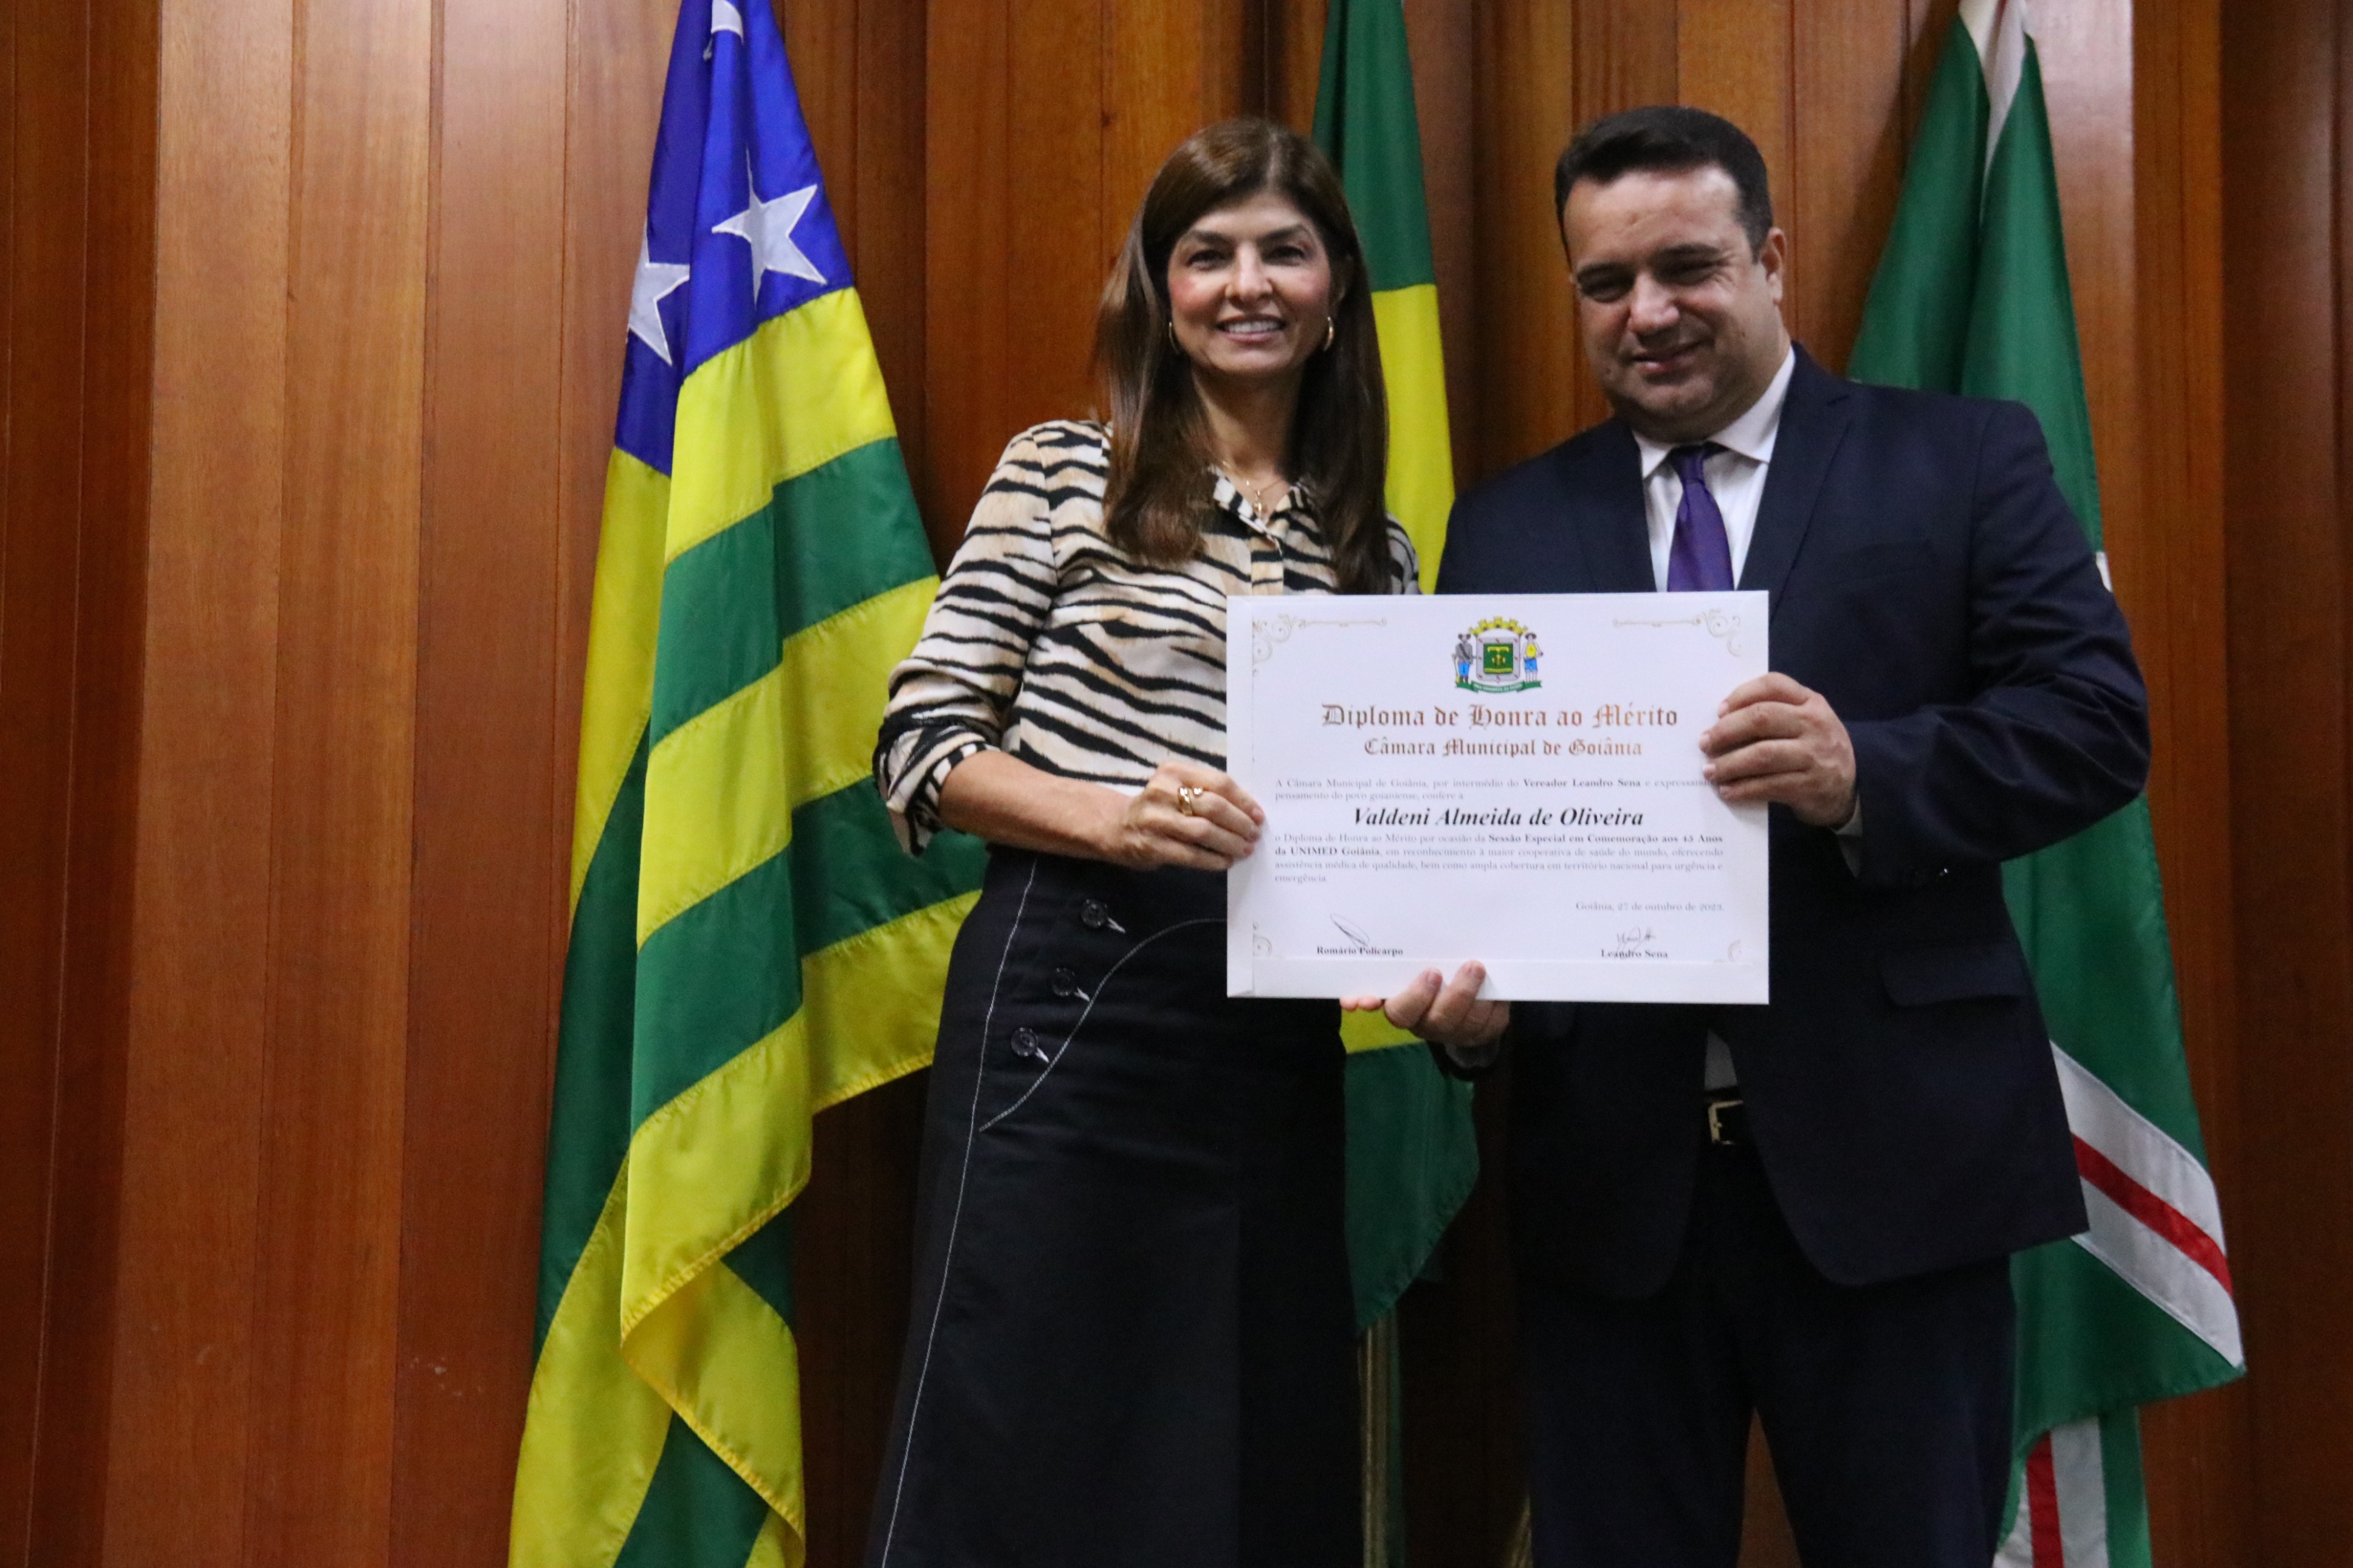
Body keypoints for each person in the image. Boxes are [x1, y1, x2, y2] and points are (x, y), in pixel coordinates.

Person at [1421, 106, 2150, 1567]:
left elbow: (2093, 725)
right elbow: (1474, 834)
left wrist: (1861, 769)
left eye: (1685, 268)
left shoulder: (1960, 460)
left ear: (1767, 259)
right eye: (1605, 283)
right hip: (1610, 1195)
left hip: (1899, 1174)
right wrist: (1472, 1014)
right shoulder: (1505, 527)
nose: (1647, 313)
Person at [864, 117, 1502, 1568]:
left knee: (1250, 1439)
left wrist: (1463, 1001)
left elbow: (1404, 844)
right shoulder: (1062, 471)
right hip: (1067, 1008)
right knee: (1019, 1427)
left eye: (1284, 251)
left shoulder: (1378, 552)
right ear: (1158, 292)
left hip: (1272, 1046)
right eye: (1206, 255)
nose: (1246, 284)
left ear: (1336, 287)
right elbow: (919, 748)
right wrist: (1116, 816)